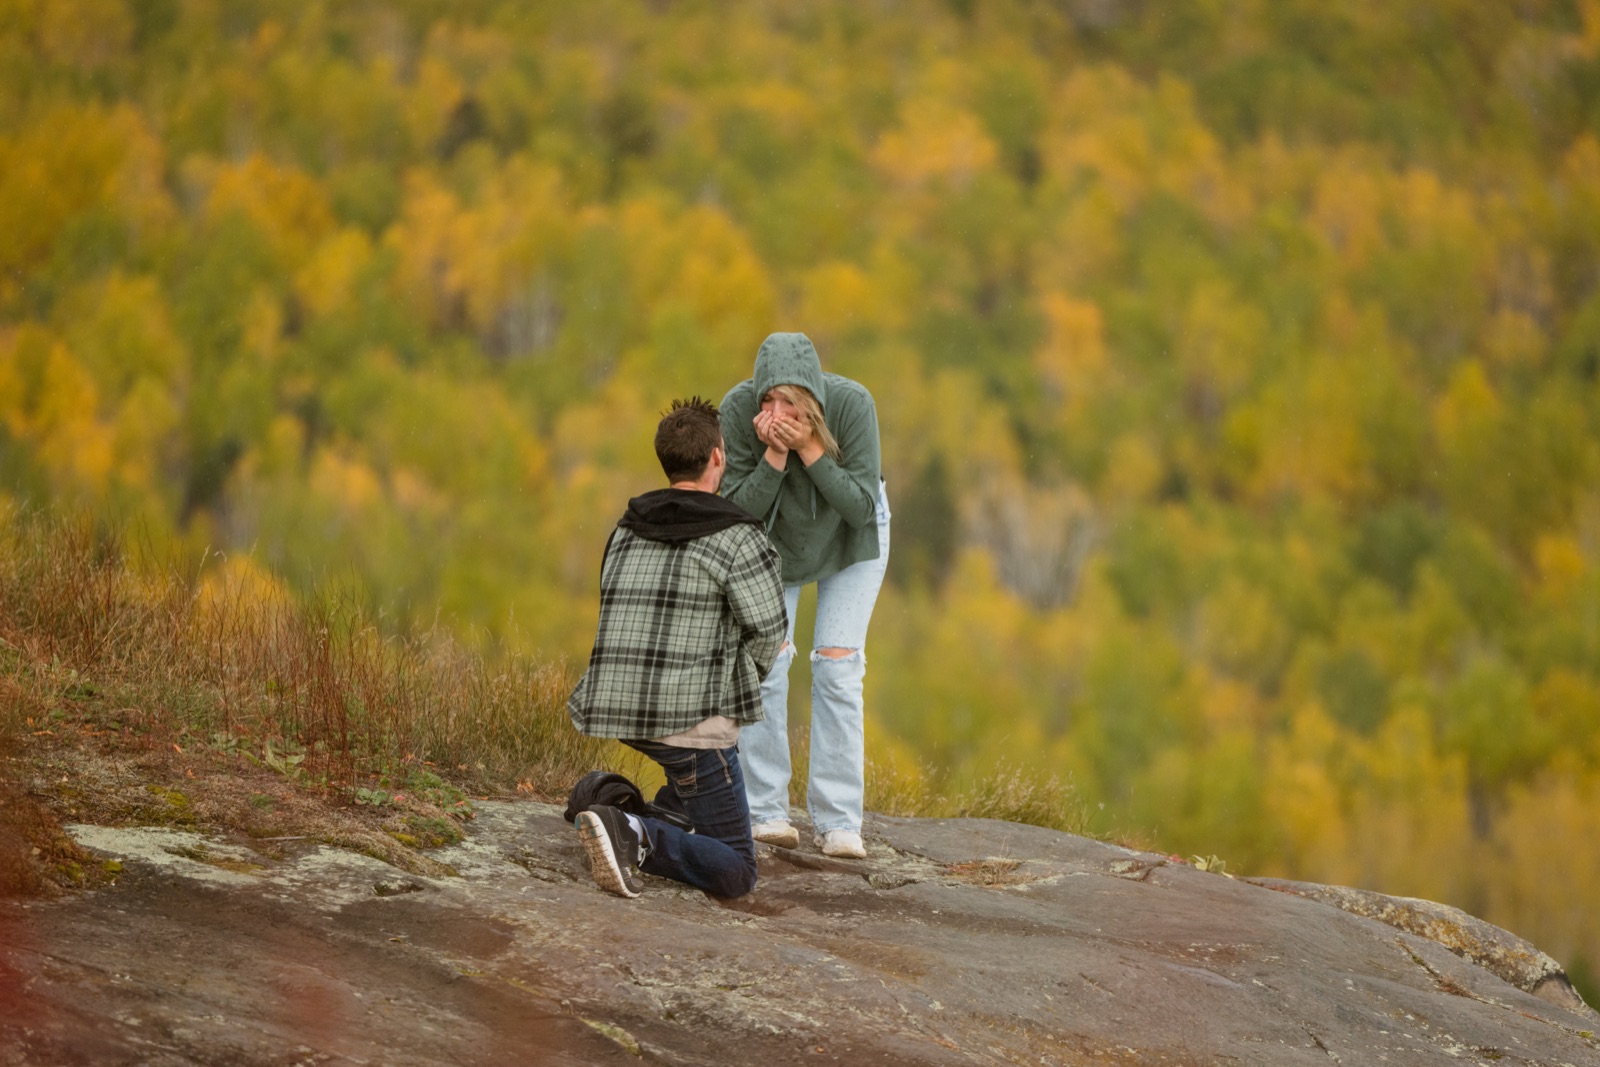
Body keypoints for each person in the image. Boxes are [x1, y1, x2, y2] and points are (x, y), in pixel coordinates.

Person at [566, 397, 788, 899]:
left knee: (693, 792)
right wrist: (739, 685)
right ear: (717, 458)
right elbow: (771, 634)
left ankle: (603, 800)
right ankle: (632, 833)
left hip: (614, 705)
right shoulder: (738, 536)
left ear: (667, 462)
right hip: (688, 728)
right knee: (736, 870)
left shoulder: (626, 526)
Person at [719, 332, 889, 859]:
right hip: (771, 542)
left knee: (838, 666)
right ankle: (766, 811)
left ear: (811, 400)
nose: (773, 410)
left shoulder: (852, 404)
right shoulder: (735, 410)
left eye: (787, 401)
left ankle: (839, 822)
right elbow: (734, 512)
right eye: (766, 399)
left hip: (849, 535)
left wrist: (812, 450)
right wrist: (773, 455)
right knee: (766, 664)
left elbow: (860, 507)